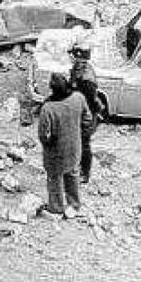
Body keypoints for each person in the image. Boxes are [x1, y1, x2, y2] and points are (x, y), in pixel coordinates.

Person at [38, 73, 93, 218]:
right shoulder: (78, 98)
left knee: (54, 178)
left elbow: (43, 135)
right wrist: (81, 135)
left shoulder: (48, 108)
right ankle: (74, 204)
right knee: (73, 174)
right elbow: (88, 119)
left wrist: (48, 144)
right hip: (75, 147)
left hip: (55, 153)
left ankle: (56, 207)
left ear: (52, 88)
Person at [68, 44, 101, 183]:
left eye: (73, 55)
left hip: (84, 116)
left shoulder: (87, 79)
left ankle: (84, 173)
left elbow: (91, 102)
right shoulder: (79, 69)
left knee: (84, 144)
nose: (71, 58)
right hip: (76, 112)